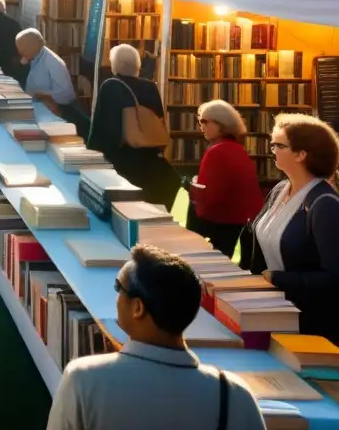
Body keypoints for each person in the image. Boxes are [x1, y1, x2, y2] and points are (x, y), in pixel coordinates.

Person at [47, 244, 264, 430]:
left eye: (118, 286)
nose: (115, 296)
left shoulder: (83, 380)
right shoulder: (235, 396)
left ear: (138, 308)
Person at [246, 114, 339, 344]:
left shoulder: (324, 204)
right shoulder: (279, 190)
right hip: (274, 311)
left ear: (302, 154)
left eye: (279, 145)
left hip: (311, 324)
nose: (272, 150)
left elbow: (334, 278)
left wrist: (280, 279)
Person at [87, 44, 178, 211]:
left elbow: (102, 126)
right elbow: (158, 121)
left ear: (115, 65)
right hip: (148, 160)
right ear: (137, 66)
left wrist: (91, 157)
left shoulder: (111, 86)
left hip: (121, 160)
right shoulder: (150, 87)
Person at [186, 100, 263, 256]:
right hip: (243, 221)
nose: (202, 127)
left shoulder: (217, 151)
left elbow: (210, 198)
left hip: (222, 221)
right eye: (201, 122)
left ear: (223, 124)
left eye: (205, 121)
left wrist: (191, 189)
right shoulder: (237, 149)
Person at [16, 28, 76, 111]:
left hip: (51, 109)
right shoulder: (33, 57)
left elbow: (67, 95)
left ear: (34, 45)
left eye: (24, 50)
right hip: (33, 104)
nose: (22, 53)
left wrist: (42, 95)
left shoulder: (53, 62)